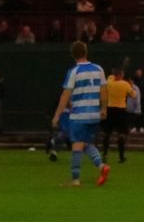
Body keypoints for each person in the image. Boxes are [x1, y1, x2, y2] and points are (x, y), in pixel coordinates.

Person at [50, 41, 111, 187]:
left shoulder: (74, 71)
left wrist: (57, 115)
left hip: (79, 115)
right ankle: (102, 166)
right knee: (87, 144)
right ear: (86, 52)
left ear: (72, 55)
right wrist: (103, 109)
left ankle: (75, 179)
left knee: (77, 145)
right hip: (94, 115)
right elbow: (103, 91)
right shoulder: (99, 69)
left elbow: (65, 95)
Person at [101, 68, 135, 163]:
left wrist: (113, 75)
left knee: (107, 133)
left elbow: (110, 77)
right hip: (121, 110)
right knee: (121, 134)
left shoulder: (109, 82)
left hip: (110, 109)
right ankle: (121, 156)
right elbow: (133, 95)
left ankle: (105, 154)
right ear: (121, 75)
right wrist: (131, 85)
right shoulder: (125, 84)